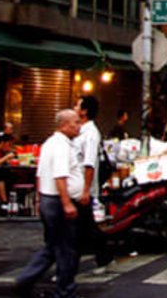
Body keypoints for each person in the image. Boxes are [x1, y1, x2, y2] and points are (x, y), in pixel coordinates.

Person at [15, 109, 84, 298]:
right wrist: (66, 203)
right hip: (57, 201)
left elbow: (40, 175)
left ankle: (25, 280)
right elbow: (59, 176)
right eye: (75, 123)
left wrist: (39, 199)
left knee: (53, 246)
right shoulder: (60, 146)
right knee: (65, 248)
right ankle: (65, 290)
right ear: (64, 125)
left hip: (48, 199)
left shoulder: (49, 144)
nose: (79, 126)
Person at [74, 96, 107, 263]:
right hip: (76, 186)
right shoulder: (79, 131)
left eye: (76, 105)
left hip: (83, 188)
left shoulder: (91, 134)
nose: (74, 108)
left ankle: (69, 264)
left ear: (84, 111)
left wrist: (86, 190)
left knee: (80, 228)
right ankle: (104, 255)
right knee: (85, 227)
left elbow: (89, 164)